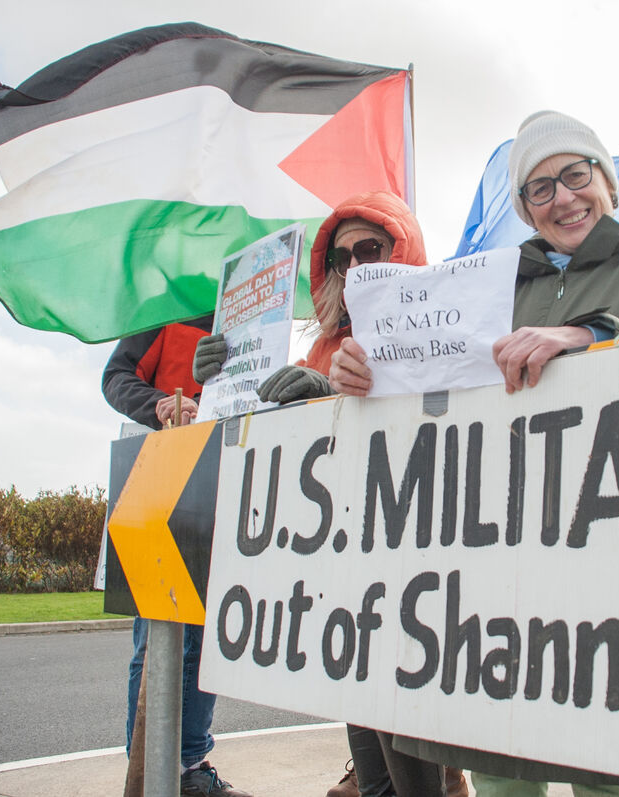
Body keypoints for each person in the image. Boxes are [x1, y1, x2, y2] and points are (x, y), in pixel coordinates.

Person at [331, 110, 619, 797]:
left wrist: (592, 334)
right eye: (540, 188)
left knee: (611, 762)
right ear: (524, 207)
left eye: (575, 175)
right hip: (508, 563)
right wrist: (364, 373)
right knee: (502, 761)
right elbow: (431, 387)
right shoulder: (492, 288)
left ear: (608, 182)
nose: (563, 198)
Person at [192, 191, 466, 797]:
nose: (355, 264)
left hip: (413, 564)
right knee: (367, 740)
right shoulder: (321, 344)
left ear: (402, 249)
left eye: (371, 248)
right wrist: (220, 377)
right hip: (344, 562)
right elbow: (273, 436)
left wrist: (333, 394)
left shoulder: (440, 321)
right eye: (342, 256)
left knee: (408, 736)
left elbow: (447, 416)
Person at [102, 314, 251, 797]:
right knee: (157, 639)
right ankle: (148, 770)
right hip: (159, 479)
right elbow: (115, 377)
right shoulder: (162, 308)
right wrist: (160, 404)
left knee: (206, 637)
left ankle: (189, 766)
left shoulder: (247, 314)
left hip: (225, 475)